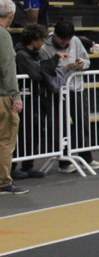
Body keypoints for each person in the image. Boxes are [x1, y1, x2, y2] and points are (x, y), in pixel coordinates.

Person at [41, 20, 99, 173]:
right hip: (57, 91)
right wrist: (67, 67)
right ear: (55, 35)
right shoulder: (44, 48)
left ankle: (86, 158)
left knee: (82, 123)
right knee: (60, 125)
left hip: (76, 88)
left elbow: (87, 60)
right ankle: (63, 162)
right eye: (61, 40)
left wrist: (82, 63)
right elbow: (46, 71)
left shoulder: (76, 41)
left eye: (67, 40)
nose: (64, 43)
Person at [14, 22, 58, 180]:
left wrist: (45, 67)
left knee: (34, 131)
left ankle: (28, 165)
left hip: (35, 97)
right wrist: (47, 66)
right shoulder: (21, 55)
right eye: (41, 40)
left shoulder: (36, 54)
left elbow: (42, 71)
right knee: (21, 132)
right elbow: (37, 73)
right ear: (33, 40)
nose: (43, 43)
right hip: (24, 97)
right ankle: (13, 166)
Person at [0, 0, 27, 195]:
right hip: (2, 95)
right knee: (5, 140)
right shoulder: (3, 35)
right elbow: (8, 68)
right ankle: (3, 181)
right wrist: (15, 95)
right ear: (10, 16)